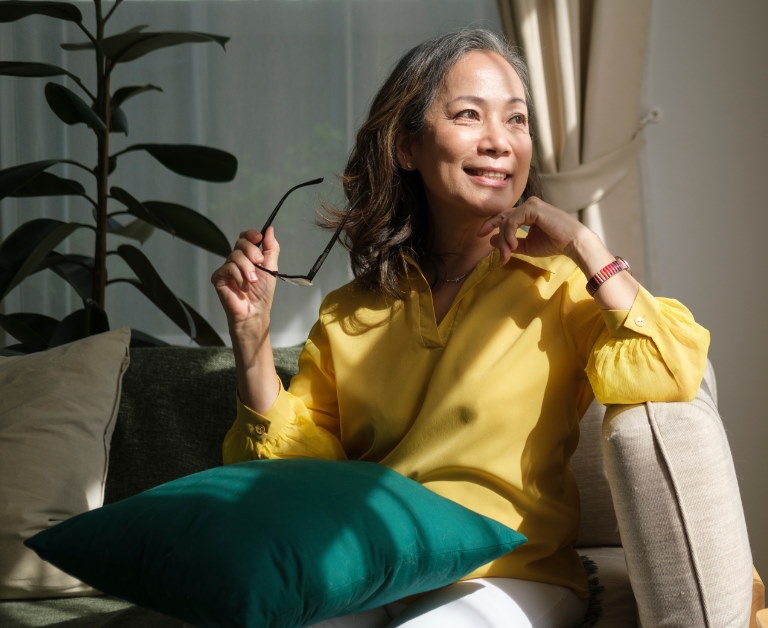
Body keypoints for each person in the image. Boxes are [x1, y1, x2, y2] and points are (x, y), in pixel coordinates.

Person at [211, 27, 709, 628]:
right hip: (375, 566)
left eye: (517, 120)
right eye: (469, 115)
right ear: (406, 148)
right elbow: (297, 474)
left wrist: (583, 243)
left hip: (509, 575)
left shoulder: (563, 288)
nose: (500, 142)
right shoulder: (349, 311)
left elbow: (673, 369)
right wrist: (252, 336)